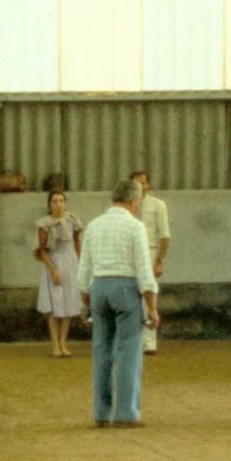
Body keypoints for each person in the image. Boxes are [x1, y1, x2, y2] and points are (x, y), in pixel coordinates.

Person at [78, 179, 160, 426]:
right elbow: (144, 272)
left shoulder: (93, 226)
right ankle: (126, 413)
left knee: (101, 351)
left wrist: (85, 302)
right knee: (129, 352)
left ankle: (101, 414)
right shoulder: (135, 227)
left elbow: (83, 271)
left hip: (99, 288)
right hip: (125, 289)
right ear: (134, 201)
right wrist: (153, 308)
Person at [34, 189, 84, 358]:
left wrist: (81, 264)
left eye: (61, 200)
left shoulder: (72, 221)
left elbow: (77, 242)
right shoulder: (45, 224)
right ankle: (55, 343)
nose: (58, 204)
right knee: (55, 306)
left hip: (71, 262)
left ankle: (64, 342)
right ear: (49, 204)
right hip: (54, 261)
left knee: (68, 303)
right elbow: (42, 249)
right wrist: (53, 269)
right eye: (55, 201)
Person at [132, 169, 169, 353]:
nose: (140, 186)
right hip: (130, 253)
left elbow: (164, 235)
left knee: (149, 296)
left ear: (148, 185)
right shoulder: (126, 206)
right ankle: (133, 340)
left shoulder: (158, 205)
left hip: (150, 252)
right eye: (136, 183)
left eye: (143, 183)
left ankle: (150, 341)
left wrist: (159, 260)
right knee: (131, 296)